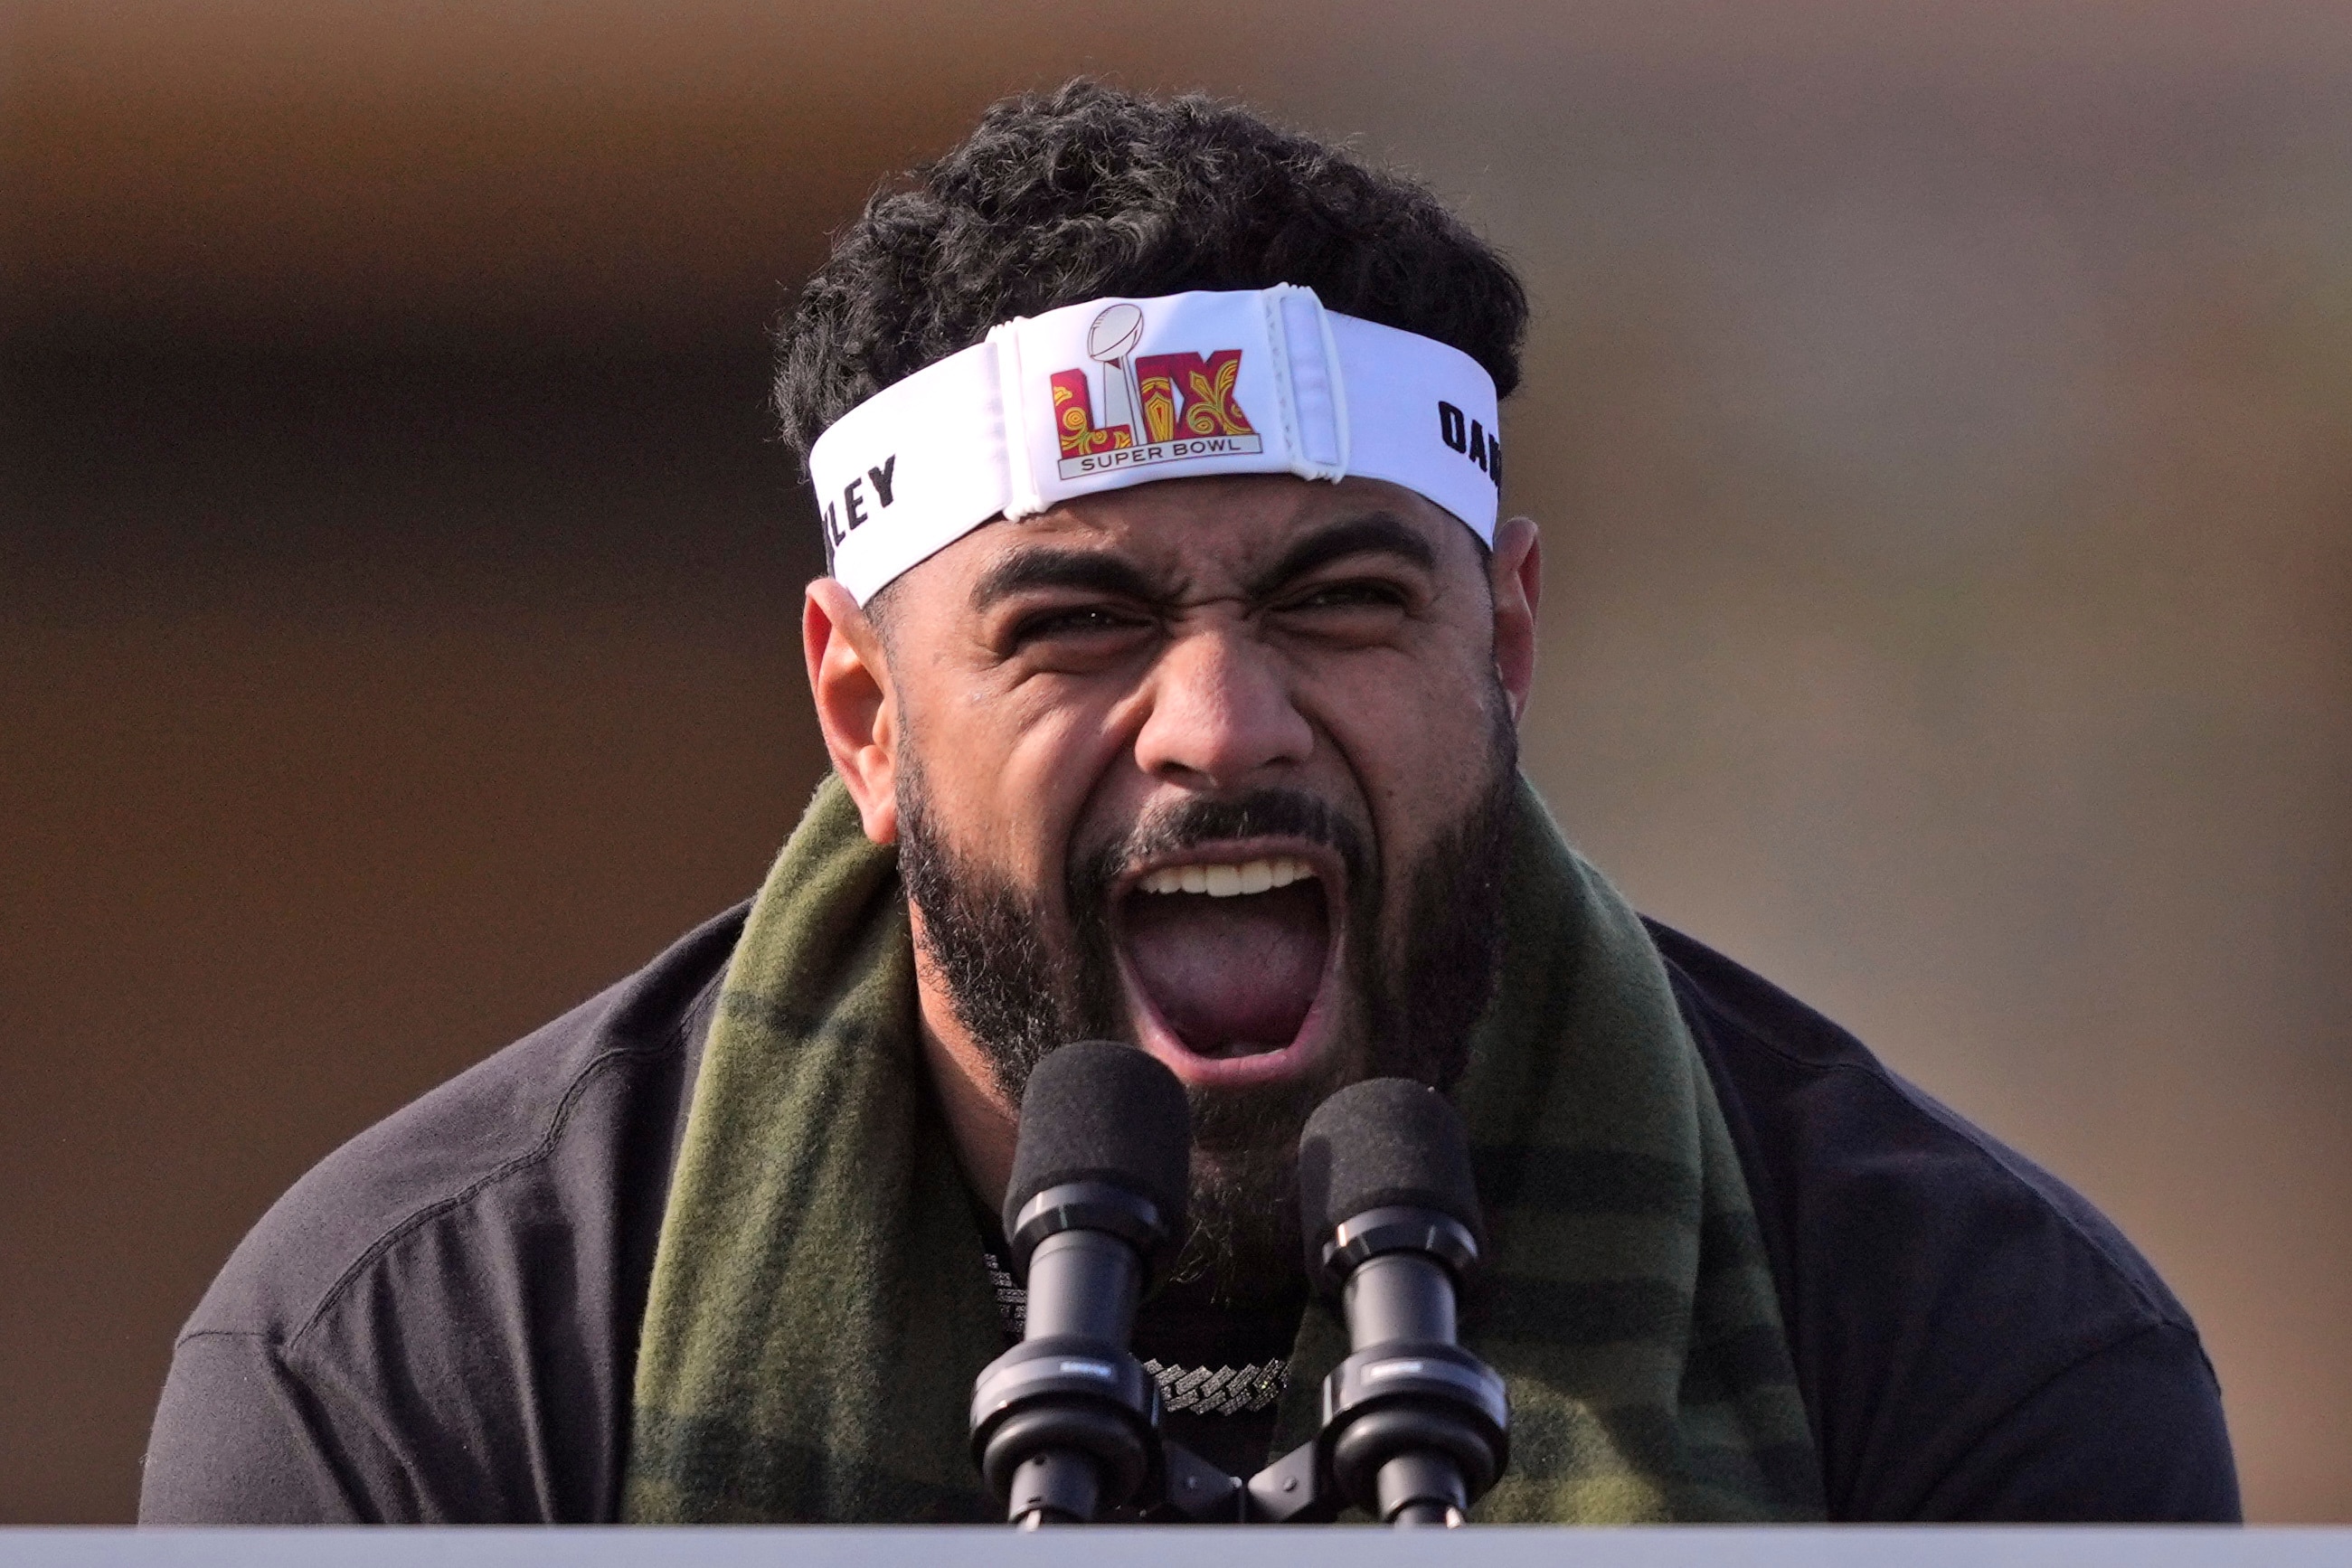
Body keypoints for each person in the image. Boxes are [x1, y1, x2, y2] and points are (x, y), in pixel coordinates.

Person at [139, 80, 2238, 1525]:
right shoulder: (417, 1356)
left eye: (1338, 600)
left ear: (1502, 643)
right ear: (863, 716)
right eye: (1074, 624)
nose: (1219, 724)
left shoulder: (1960, 1344)